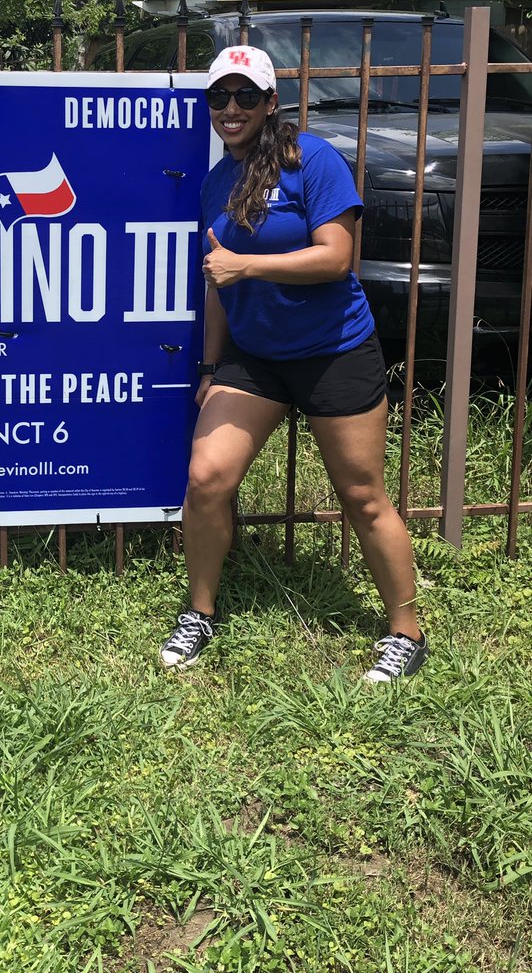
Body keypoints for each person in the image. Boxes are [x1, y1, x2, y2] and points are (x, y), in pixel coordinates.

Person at [159, 45, 428, 683]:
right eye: (219, 97)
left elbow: (335, 258)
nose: (230, 108)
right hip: (256, 359)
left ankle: (405, 629)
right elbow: (217, 283)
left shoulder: (313, 160)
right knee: (206, 480)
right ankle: (200, 613)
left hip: (335, 351)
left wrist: (243, 265)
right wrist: (210, 367)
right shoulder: (216, 183)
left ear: (270, 103)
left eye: (245, 96)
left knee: (362, 497)